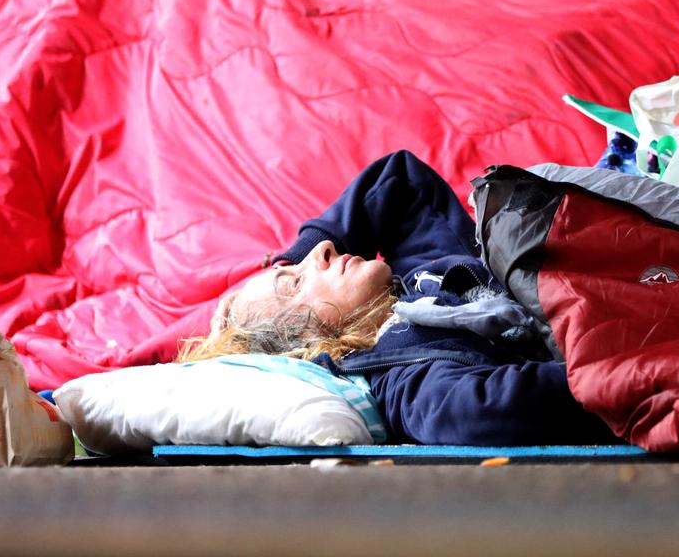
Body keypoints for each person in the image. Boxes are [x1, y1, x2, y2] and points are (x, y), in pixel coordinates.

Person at [181, 150, 614, 446]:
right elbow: (479, 411)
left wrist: (290, 259)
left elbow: (399, 180)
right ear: (311, 344)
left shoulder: (418, 269)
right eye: (295, 282)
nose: (321, 251)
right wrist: (620, 368)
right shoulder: (404, 371)